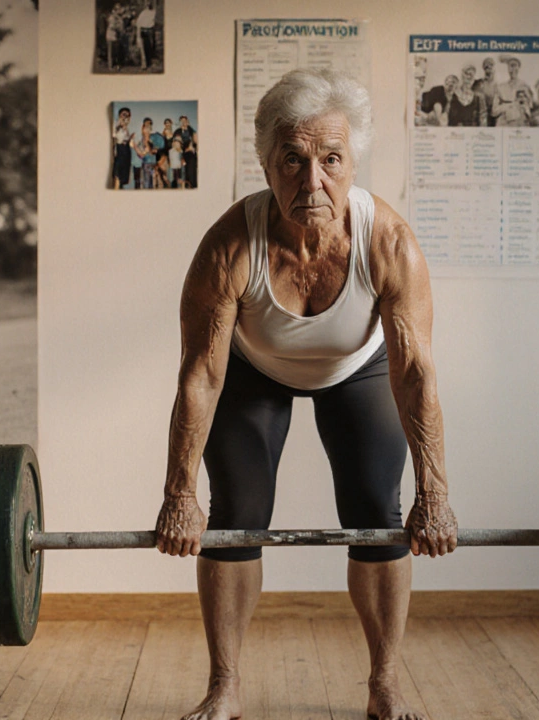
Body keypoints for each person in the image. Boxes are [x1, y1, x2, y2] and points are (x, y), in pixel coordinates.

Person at [155, 67, 457, 720]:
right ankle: (226, 686)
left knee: (378, 511)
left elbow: (414, 373)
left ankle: (384, 685)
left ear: (354, 163)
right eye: (292, 160)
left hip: (360, 369)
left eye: (330, 160)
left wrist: (435, 494)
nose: (311, 181)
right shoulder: (230, 246)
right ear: (266, 163)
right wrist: (179, 493)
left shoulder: (389, 243)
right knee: (234, 517)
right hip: (253, 371)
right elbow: (201, 375)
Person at [448, 63, 483, 127]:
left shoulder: (477, 98)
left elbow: (480, 120)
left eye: (471, 75)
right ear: (462, 75)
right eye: (467, 74)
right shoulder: (453, 94)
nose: (469, 77)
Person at [471, 56, 498, 126]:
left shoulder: (499, 86)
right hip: (479, 118)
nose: (488, 69)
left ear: (494, 69)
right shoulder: (478, 84)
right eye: (486, 67)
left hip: (494, 118)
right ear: (483, 69)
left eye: (491, 66)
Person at [174, 115, 198, 189]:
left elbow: (196, 141)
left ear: (188, 122)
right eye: (182, 121)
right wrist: (182, 151)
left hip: (191, 154)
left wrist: (193, 147)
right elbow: (176, 143)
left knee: (191, 169)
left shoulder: (192, 130)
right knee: (181, 173)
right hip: (181, 153)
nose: (184, 122)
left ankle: (192, 185)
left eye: (185, 121)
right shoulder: (178, 131)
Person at [112, 107, 133, 189]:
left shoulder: (126, 128)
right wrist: (120, 126)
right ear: (120, 115)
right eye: (124, 114)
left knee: (123, 177)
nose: (125, 117)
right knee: (117, 175)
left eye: (128, 115)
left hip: (126, 151)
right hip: (120, 150)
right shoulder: (115, 123)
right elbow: (114, 135)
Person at [135, 1, 158, 70]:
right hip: (144, 31)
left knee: (150, 48)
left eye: (149, 4)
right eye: (147, 4)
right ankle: (144, 65)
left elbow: (154, 22)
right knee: (143, 48)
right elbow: (138, 24)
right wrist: (138, 35)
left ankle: (149, 64)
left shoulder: (154, 12)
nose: (148, 5)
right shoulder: (143, 13)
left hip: (150, 31)